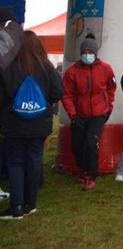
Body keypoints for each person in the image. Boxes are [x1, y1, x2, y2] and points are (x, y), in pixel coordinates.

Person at [0, 30, 63, 219]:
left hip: (14, 123)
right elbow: (58, 91)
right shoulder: (46, 67)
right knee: (35, 160)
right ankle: (31, 203)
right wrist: (43, 103)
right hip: (39, 123)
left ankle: (17, 206)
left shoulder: (9, 67)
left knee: (15, 163)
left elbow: (2, 96)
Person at [61, 33, 116, 191]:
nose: (87, 55)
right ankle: (83, 170)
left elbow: (112, 88)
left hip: (99, 114)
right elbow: (66, 94)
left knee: (91, 144)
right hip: (79, 114)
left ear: (95, 53)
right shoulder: (72, 72)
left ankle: (91, 176)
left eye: (90, 52)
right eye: (84, 52)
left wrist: (108, 107)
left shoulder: (106, 69)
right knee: (77, 145)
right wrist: (73, 115)